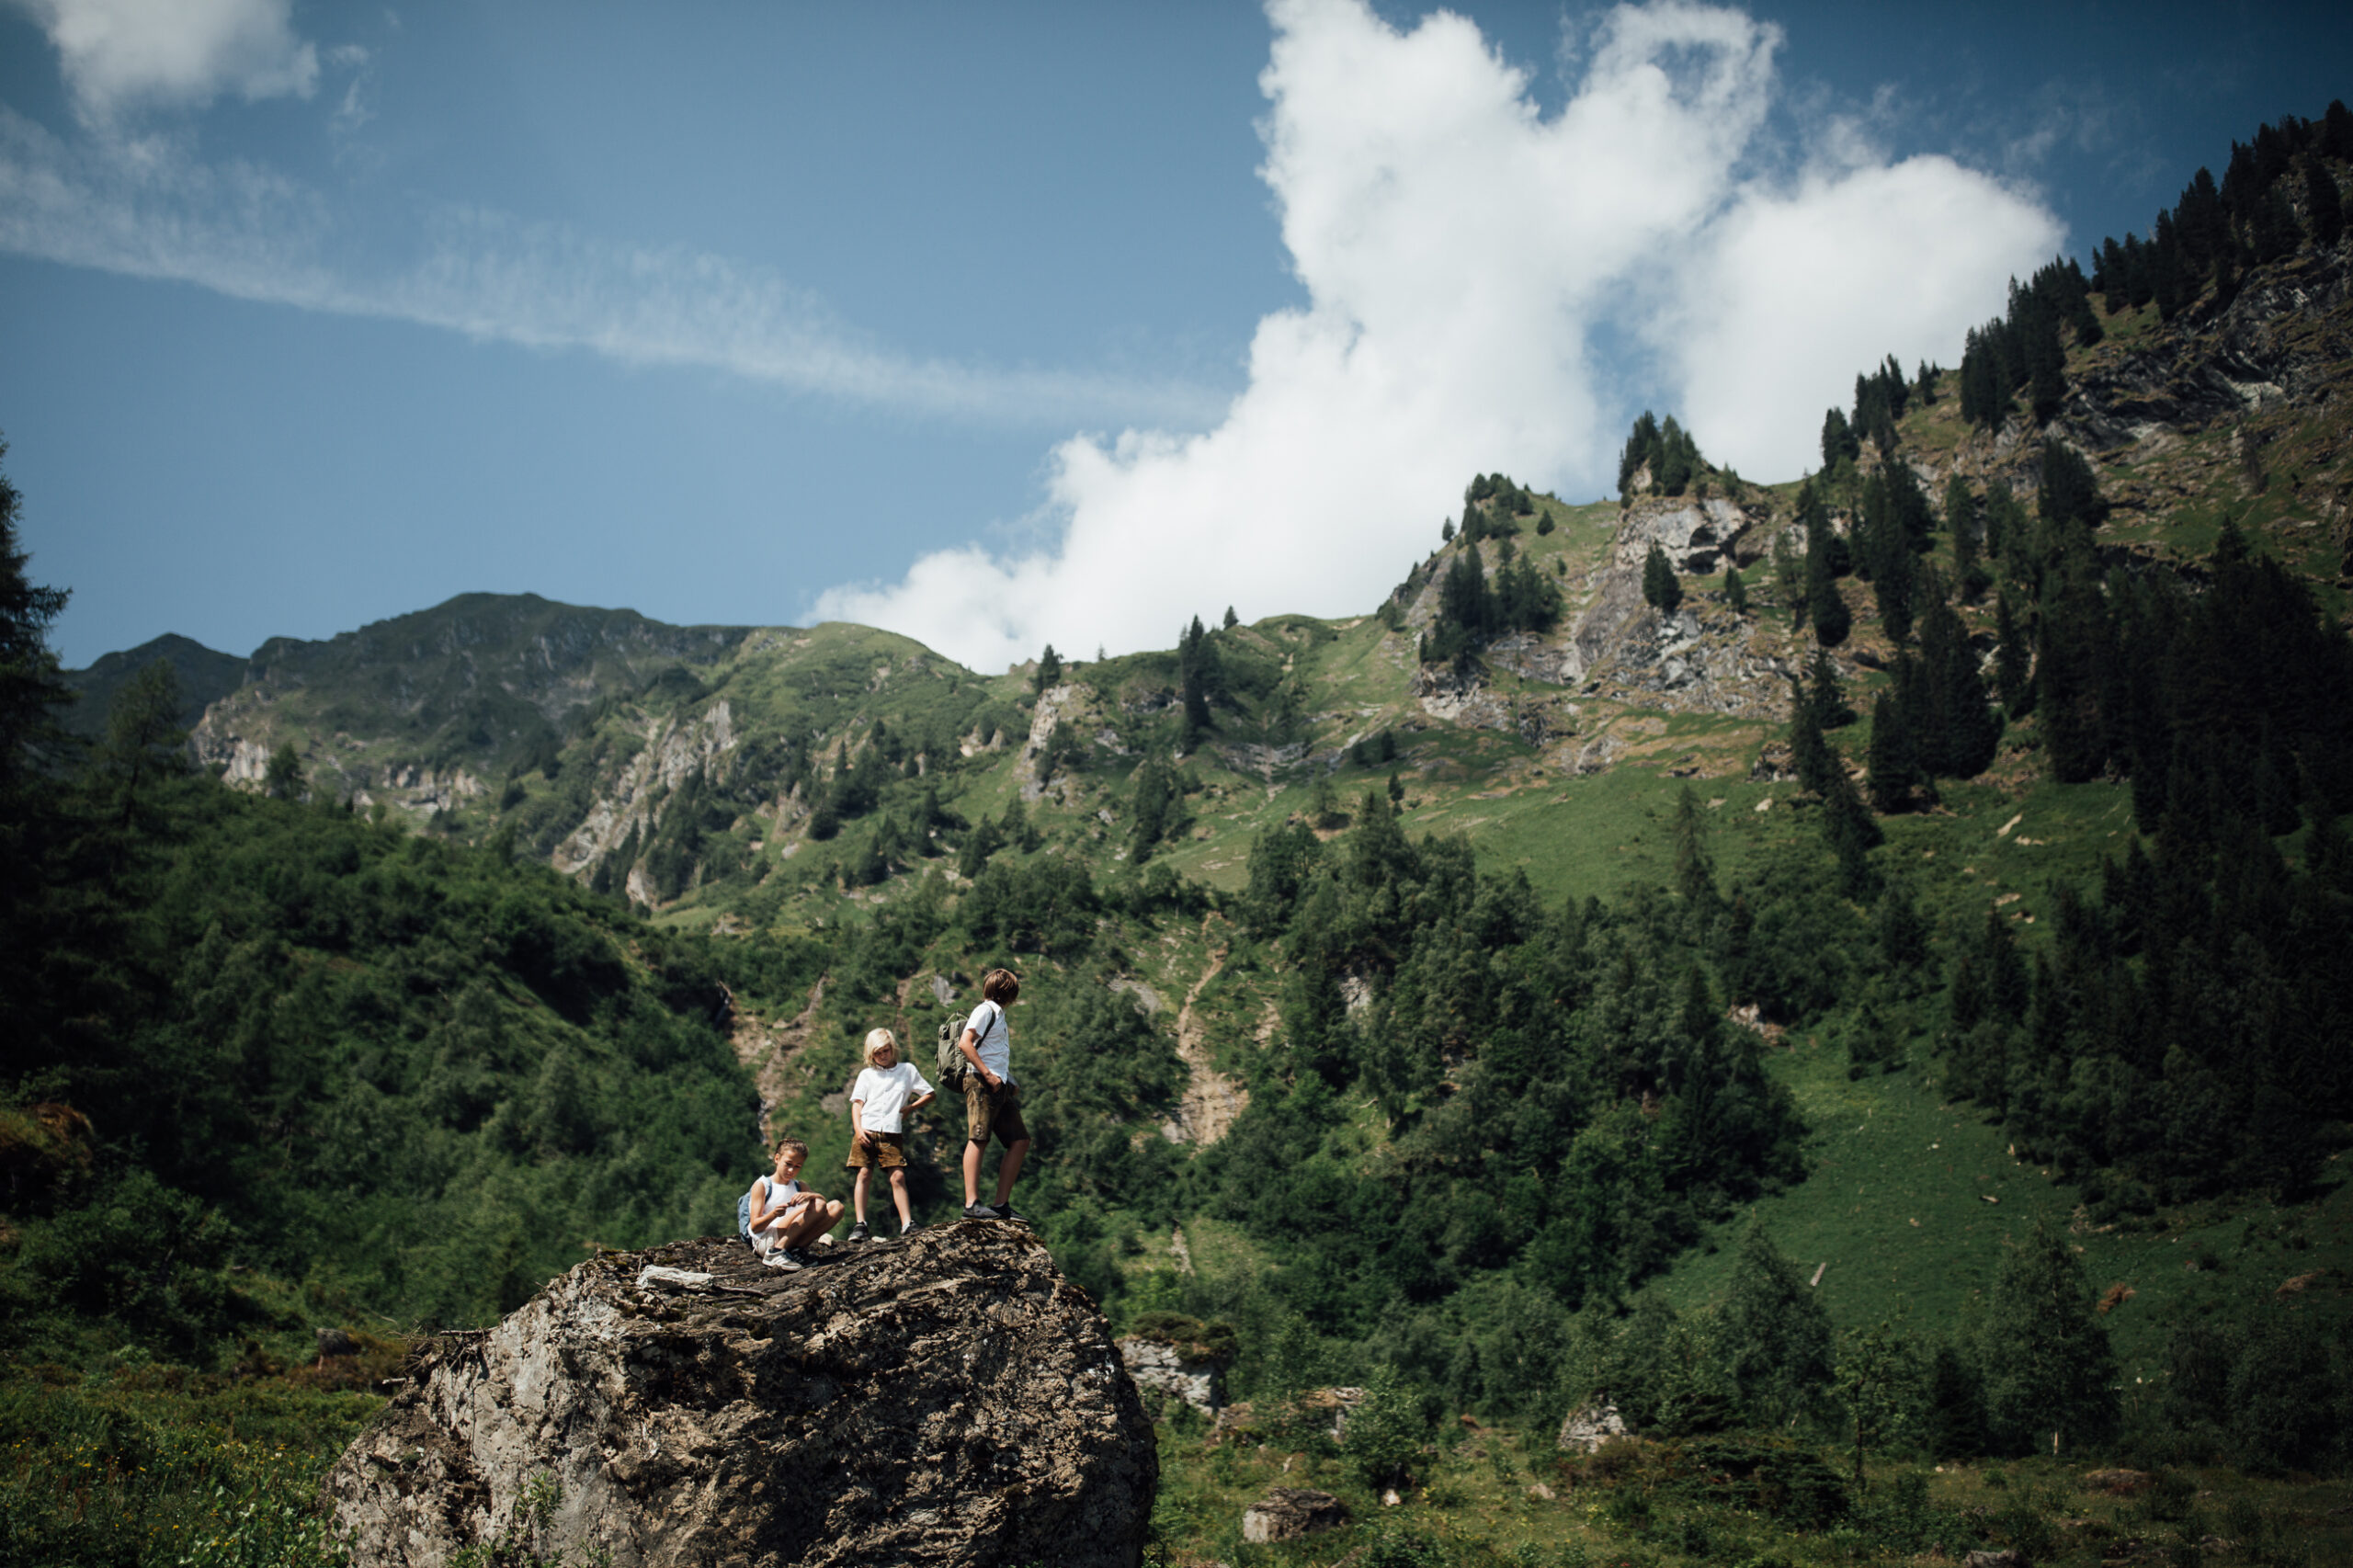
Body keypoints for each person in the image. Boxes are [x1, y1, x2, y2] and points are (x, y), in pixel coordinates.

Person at [845, 1027, 935, 1241]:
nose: (883, 1056)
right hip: (867, 1128)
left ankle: (907, 1223)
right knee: (864, 1173)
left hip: (892, 1131)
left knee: (897, 1176)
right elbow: (857, 1104)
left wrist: (910, 1107)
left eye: (886, 1051)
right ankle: (860, 1223)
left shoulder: (907, 1070)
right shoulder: (867, 1075)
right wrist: (858, 1129)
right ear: (871, 1054)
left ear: (893, 1048)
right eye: (877, 1053)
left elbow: (929, 1093)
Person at [957, 967, 1029, 1221]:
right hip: (981, 1082)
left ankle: (1001, 1205)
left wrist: (1008, 1081)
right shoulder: (985, 1010)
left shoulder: (997, 1014)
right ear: (1009, 993)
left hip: (998, 1084)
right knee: (978, 1138)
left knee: (1020, 1140)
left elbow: (992, 1052)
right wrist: (988, 1075)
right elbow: (965, 1043)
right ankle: (971, 1204)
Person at [746, 1137, 841, 1269]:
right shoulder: (763, 1185)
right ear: (777, 1159)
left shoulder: (799, 1185)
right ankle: (775, 1252)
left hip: (792, 1237)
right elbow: (755, 1227)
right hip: (768, 1239)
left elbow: (823, 1206)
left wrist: (811, 1195)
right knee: (817, 1204)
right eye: (788, 1164)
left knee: (837, 1206)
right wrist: (774, 1214)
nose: (791, 1170)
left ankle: (797, 1251)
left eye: (797, 1166)